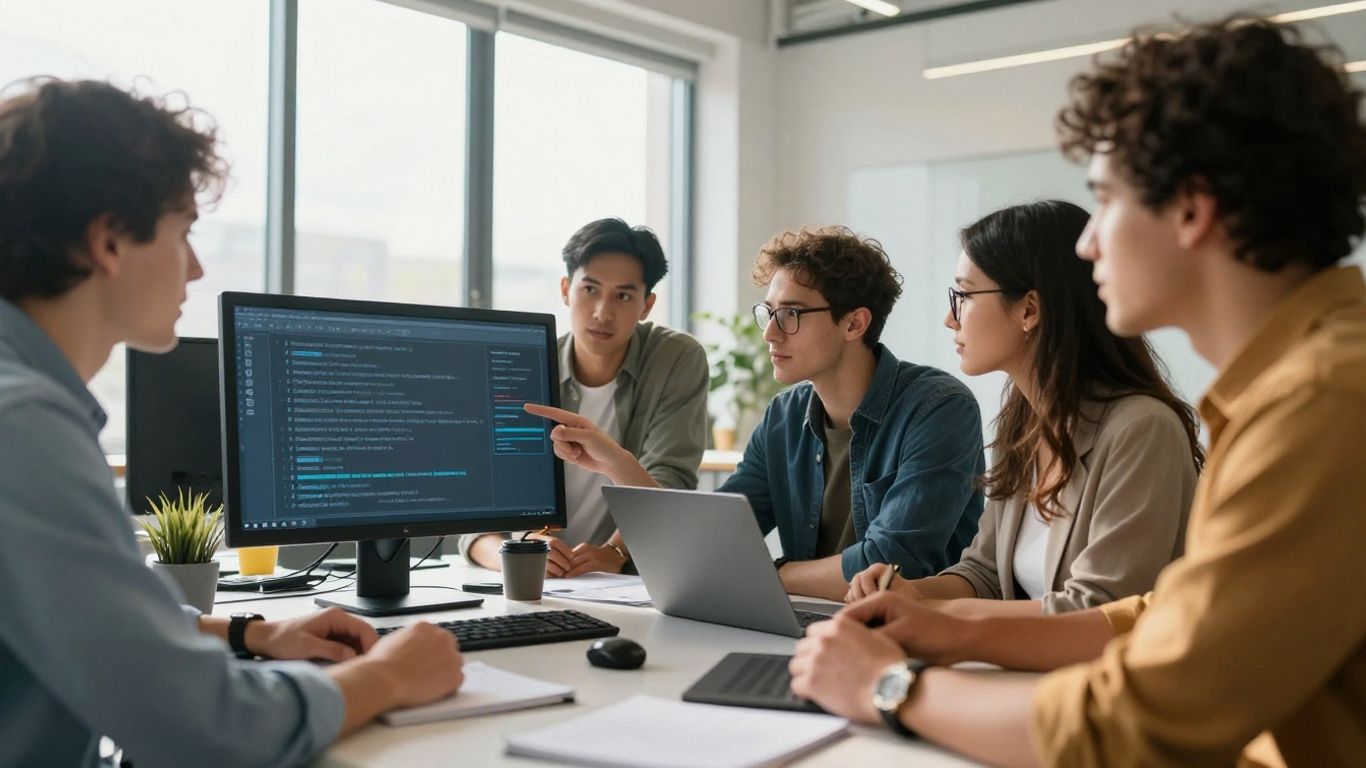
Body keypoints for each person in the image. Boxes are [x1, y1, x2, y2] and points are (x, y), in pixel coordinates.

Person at [789, 16, 1366, 767]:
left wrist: (893, 689)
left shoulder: (1322, 401)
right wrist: (955, 626)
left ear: (1191, 209)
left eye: (1105, 202)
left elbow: (1144, 720)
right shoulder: (1302, 385)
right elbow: (1167, 617)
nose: (1089, 243)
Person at [0, 78, 463, 768]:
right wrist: (391, 674)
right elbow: (204, 728)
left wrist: (250, 632)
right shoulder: (24, 427)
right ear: (108, 242)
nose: (196, 266)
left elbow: (86, 621)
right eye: (184, 231)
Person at [529, 226, 985, 601]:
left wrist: (765, 575)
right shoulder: (784, 417)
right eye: (768, 312)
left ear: (854, 323)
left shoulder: (938, 408)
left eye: (790, 314)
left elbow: (889, 562)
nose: (769, 332)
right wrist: (617, 463)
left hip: (914, 635)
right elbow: (710, 539)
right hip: (807, 623)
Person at [846, 200, 1201, 614]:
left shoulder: (1142, 429)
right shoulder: (1024, 426)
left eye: (963, 294)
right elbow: (983, 575)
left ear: (1029, 309)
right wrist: (908, 594)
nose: (950, 317)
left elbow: (1100, 611)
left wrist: (942, 620)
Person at [460, 218, 708, 578]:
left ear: (647, 305)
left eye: (623, 296)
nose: (602, 313)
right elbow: (477, 513)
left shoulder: (675, 359)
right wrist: (515, 558)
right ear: (565, 289)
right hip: (537, 582)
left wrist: (615, 551)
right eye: (590, 289)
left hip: (625, 581)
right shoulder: (522, 367)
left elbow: (670, 485)